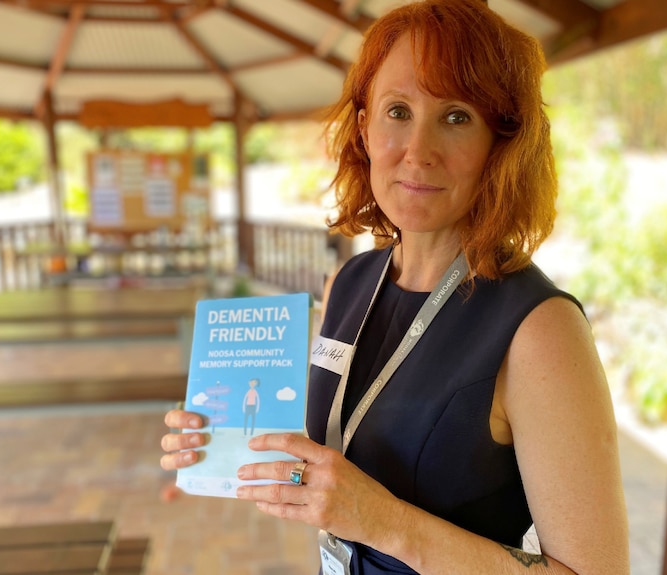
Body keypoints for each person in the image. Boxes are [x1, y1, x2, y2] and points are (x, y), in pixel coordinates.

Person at [161, 0, 629, 572]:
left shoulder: (540, 329)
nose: (418, 151)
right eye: (398, 111)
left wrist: (382, 522)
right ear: (364, 127)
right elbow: (328, 465)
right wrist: (222, 443)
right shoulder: (350, 283)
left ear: (499, 143)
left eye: (457, 116)